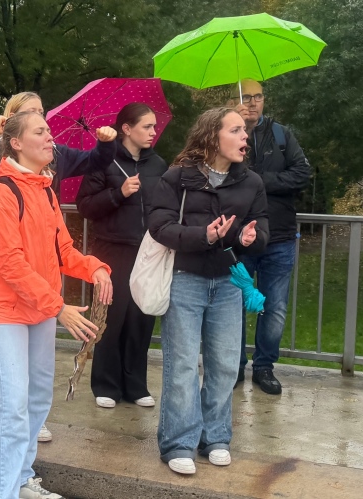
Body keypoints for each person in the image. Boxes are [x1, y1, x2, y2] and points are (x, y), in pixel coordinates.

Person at [0, 91, 117, 443]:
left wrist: (107, 144)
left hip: (40, 282)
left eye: (43, 115)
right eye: (32, 117)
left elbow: (63, 244)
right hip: (2, 271)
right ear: (14, 133)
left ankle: (27, 427)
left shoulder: (50, 175)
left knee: (34, 387)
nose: (45, 127)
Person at [0, 110, 112, 499]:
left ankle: (21, 479)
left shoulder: (46, 191)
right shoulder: (1, 194)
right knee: (13, 406)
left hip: (40, 310)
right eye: (40, 132)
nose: (51, 138)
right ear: (16, 143)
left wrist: (95, 268)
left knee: (37, 398)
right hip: (6, 312)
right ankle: (3, 493)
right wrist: (58, 307)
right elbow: (10, 264)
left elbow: (62, 251)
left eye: (49, 131)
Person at [148, 107, 268, 475]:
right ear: (212, 136)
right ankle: (178, 443)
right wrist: (205, 235)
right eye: (236, 130)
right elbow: (159, 226)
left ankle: (215, 437)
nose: (245, 136)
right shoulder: (177, 177)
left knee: (225, 364)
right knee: (182, 364)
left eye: (245, 130)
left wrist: (250, 237)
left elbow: (263, 228)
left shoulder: (252, 182)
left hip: (229, 282)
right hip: (185, 279)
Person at [76, 103, 167, 410]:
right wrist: (119, 193)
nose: (153, 132)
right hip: (112, 249)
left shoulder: (158, 165)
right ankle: (106, 384)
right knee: (112, 318)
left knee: (141, 319)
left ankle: (135, 385)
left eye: (154, 126)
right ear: (126, 129)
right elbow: (86, 206)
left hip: (148, 252)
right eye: (147, 126)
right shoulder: (104, 160)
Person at [230, 79, 312, 395]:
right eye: (246, 97)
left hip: (279, 236)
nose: (252, 102)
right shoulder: (227, 134)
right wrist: (236, 129)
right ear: (235, 100)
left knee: (275, 307)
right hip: (239, 238)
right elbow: (217, 175)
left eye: (258, 96)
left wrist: (260, 181)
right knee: (233, 303)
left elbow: (301, 174)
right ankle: (234, 366)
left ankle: (264, 368)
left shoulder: (281, 135)